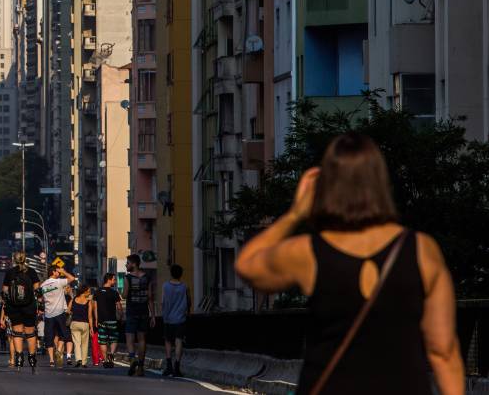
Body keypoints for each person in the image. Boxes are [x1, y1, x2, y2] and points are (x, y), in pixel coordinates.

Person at [235, 133, 465, 395]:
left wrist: (295, 214)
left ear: (328, 186)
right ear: (380, 182)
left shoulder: (309, 252)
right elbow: (443, 351)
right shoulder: (422, 250)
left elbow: (247, 264)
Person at [1, 250, 41, 371]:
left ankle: (19, 357)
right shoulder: (32, 272)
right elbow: (37, 290)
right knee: (30, 332)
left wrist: (6, 305)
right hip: (29, 306)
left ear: (14, 259)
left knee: (17, 332)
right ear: (25, 259)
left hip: (14, 306)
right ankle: (32, 357)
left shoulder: (10, 273)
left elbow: (5, 291)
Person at [123, 254, 154, 377]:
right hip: (144, 311)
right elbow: (150, 297)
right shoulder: (147, 277)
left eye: (128, 263)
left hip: (132, 311)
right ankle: (140, 367)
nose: (126, 265)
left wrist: (124, 292)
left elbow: (125, 295)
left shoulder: (128, 278)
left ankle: (132, 359)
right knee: (142, 339)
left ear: (134, 264)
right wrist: (152, 315)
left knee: (129, 338)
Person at [39, 265, 75, 368]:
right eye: (57, 271)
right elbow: (72, 278)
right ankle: (59, 350)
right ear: (54, 272)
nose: (59, 273)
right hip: (60, 313)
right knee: (63, 334)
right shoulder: (59, 282)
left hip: (48, 314)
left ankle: (51, 360)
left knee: (49, 338)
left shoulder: (43, 285)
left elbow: (40, 299)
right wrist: (64, 271)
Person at [161, 264, 191, 377]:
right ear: (181, 274)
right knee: (179, 342)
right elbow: (189, 301)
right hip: (180, 319)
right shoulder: (185, 287)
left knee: (168, 341)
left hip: (168, 318)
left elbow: (163, 302)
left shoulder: (165, 286)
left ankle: (169, 366)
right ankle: (177, 366)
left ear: (171, 273)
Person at [92, 272, 122, 368]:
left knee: (103, 340)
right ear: (109, 280)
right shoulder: (114, 292)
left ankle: (105, 360)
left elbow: (95, 307)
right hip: (112, 320)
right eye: (114, 279)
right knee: (114, 339)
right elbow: (119, 306)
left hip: (101, 320)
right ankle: (111, 354)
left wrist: (96, 319)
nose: (115, 281)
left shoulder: (97, 292)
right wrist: (121, 315)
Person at [68, 285, 93, 368]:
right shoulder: (88, 302)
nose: (89, 293)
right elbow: (90, 316)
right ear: (84, 291)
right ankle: (84, 362)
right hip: (85, 324)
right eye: (88, 291)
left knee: (76, 343)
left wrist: (73, 313)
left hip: (75, 323)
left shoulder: (73, 299)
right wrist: (91, 328)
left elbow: (68, 310)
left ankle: (78, 359)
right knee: (85, 344)